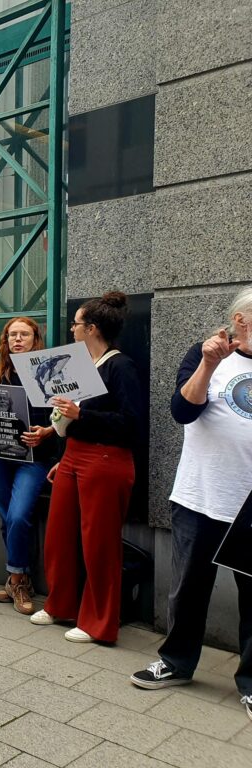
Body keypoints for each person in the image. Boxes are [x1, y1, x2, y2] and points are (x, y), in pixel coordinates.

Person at [130, 288, 252, 721]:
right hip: (201, 497)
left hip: (249, 508)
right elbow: (182, 411)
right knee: (189, 588)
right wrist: (209, 363)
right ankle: (178, 662)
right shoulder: (205, 356)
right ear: (241, 320)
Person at [30, 291, 142, 642]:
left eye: (76, 324)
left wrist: (82, 414)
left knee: (100, 544)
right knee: (59, 535)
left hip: (106, 459)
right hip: (75, 455)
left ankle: (100, 622)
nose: (71, 329)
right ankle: (61, 604)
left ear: (91, 328)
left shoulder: (120, 365)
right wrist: (64, 452)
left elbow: (130, 422)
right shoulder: (82, 366)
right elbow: (72, 420)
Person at [0, 317, 57, 615]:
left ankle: (18, 579)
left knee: (19, 515)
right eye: (12, 335)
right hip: (1, 455)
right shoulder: (0, 374)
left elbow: (62, 415)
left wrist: (47, 432)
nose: (18, 339)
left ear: (35, 338)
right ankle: (17, 578)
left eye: (24, 334)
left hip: (35, 458)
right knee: (6, 518)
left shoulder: (48, 374)